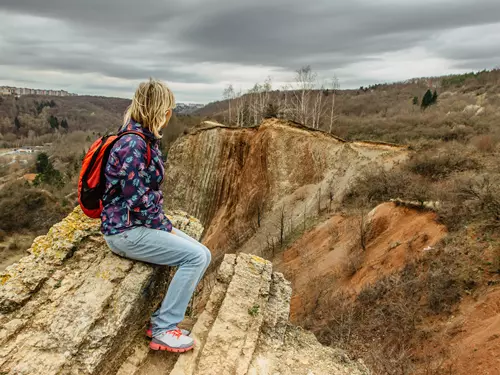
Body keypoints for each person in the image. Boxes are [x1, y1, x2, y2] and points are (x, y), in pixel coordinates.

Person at [101, 79, 211, 353]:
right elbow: (135, 197)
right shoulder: (133, 145)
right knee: (195, 257)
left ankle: (161, 322)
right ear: (160, 111)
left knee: (204, 253)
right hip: (124, 232)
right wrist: (164, 226)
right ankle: (163, 329)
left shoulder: (139, 138)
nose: (168, 115)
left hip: (134, 225)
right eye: (167, 110)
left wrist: (162, 224)